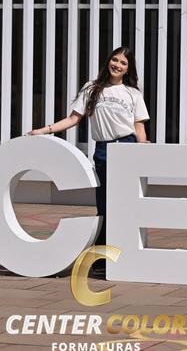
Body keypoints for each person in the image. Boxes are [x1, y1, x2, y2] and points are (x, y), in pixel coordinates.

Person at [29, 46, 150, 247]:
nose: (117, 65)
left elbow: (139, 126)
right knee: (104, 204)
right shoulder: (92, 88)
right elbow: (73, 119)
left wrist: (142, 147)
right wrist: (44, 130)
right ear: (108, 61)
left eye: (123, 63)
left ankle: (125, 250)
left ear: (128, 69)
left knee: (124, 203)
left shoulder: (133, 93)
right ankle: (103, 254)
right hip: (104, 150)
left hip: (127, 148)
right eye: (115, 59)